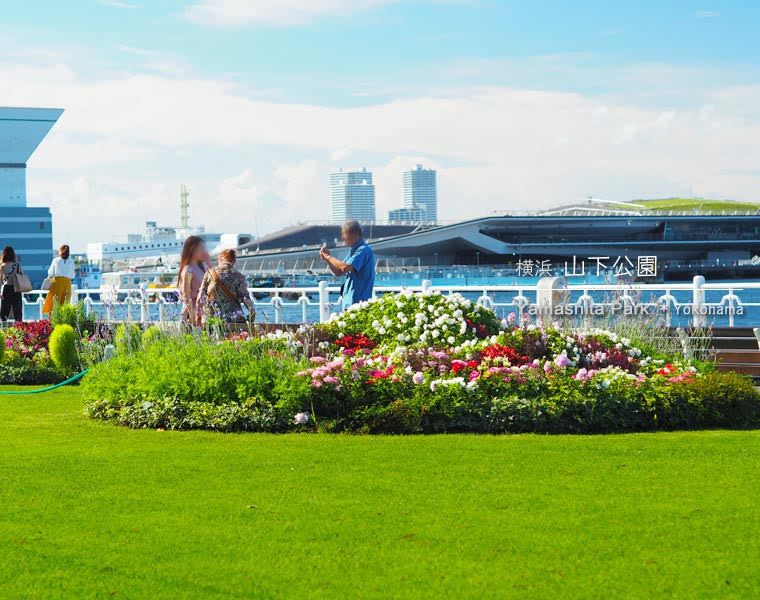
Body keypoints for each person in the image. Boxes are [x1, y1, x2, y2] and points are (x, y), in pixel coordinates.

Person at [319, 220, 375, 310]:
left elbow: (345, 267)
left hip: (358, 302)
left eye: (344, 234)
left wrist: (329, 257)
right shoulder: (353, 251)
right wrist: (327, 259)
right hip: (349, 301)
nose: (342, 238)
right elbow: (338, 271)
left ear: (354, 234)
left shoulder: (363, 250)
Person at [197, 249, 254, 323]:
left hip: (211, 318)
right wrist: (252, 314)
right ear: (234, 261)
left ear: (220, 259)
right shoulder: (239, 276)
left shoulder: (209, 273)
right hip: (233, 319)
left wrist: (199, 316)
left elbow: (199, 298)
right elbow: (245, 298)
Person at [177, 235, 210, 326]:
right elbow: (186, 296)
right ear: (192, 249)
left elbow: (214, 282)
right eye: (201, 248)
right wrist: (193, 318)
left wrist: (208, 262)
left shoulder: (200, 268)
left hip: (202, 313)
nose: (204, 251)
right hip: (192, 315)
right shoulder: (188, 270)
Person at [43, 244, 75, 316]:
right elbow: (73, 275)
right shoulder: (71, 261)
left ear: (60, 251)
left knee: (54, 303)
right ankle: (63, 320)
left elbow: (51, 273)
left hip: (57, 283)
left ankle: (52, 321)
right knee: (65, 303)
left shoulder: (56, 260)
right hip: (67, 283)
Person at [0, 246, 24, 322]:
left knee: (4, 312)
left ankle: (3, 329)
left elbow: (0, 280)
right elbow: (22, 276)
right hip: (16, 289)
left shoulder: (2, 266)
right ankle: (19, 329)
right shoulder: (17, 266)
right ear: (13, 255)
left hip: (6, 289)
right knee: (18, 312)